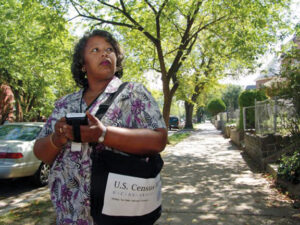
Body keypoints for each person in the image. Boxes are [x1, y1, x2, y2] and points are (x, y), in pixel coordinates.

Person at [33, 30, 167, 224]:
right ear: (82, 64)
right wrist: (57, 139)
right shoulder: (64, 104)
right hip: (70, 213)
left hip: (119, 212)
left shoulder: (133, 94)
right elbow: (41, 153)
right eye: (95, 50)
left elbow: (158, 140)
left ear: (117, 59)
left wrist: (103, 133)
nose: (104, 54)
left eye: (109, 49)